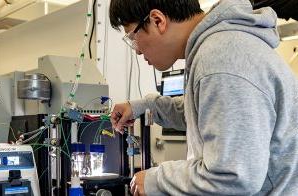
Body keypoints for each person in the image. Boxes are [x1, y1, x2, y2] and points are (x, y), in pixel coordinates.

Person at [109, 0, 298, 195]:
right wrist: (146, 106)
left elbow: (232, 177)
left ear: (157, 21)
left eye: (133, 37)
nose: (137, 50)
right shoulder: (220, 47)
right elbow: (201, 111)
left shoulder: (221, 59)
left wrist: (155, 180)